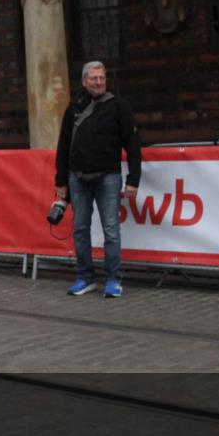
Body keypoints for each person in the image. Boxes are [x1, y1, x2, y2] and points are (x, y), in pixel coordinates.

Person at [54, 61, 142, 298]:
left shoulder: (119, 106)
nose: (99, 82)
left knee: (111, 230)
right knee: (80, 229)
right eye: (94, 78)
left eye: (102, 78)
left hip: (108, 177)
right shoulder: (73, 107)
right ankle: (85, 278)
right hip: (77, 177)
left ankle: (113, 279)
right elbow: (63, 146)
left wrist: (133, 179)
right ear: (84, 81)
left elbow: (133, 144)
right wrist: (61, 181)